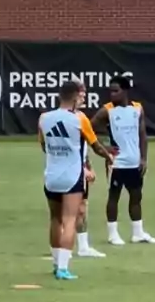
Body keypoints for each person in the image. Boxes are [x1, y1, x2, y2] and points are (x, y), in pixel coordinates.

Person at [40, 81, 114, 280]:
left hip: (51, 175)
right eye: (81, 95)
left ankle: (56, 264)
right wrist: (109, 157)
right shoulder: (80, 119)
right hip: (72, 177)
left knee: (55, 220)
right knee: (70, 220)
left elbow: (43, 145)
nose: (83, 98)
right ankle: (63, 268)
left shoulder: (44, 118)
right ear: (73, 97)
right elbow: (96, 145)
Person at [91, 76, 155, 246]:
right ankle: (113, 234)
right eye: (111, 91)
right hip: (117, 162)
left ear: (125, 91)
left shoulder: (137, 109)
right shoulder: (106, 110)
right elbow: (89, 128)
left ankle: (138, 233)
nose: (112, 94)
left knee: (136, 196)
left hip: (134, 161)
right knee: (114, 197)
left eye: (116, 91)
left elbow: (142, 135)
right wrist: (105, 147)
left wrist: (143, 158)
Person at [73, 80, 106, 258]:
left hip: (80, 170)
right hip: (68, 171)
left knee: (82, 208)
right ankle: (62, 248)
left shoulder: (82, 118)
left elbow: (84, 146)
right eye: (81, 93)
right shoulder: (66, 119)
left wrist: (88, 166)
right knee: (66, 210)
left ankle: (83, 247)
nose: (84, 97)